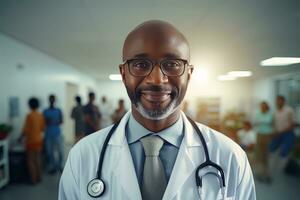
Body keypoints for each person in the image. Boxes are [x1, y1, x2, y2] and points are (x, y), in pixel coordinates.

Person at [59, 20, 255, 200]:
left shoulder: (229, 156)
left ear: (189, 73)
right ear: (123, 73)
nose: (157, 80)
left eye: (171, 64)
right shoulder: (83, 156)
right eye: (141, 64)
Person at [269, 95, 296, 176]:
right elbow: (273, 123)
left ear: (283, 101)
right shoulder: (275, 111)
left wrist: (281, 132)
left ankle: (283, 170)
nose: (278, 102)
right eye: (277, 101)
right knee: (271, 148)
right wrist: (274, 131)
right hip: (277, 133)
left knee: (284, 151)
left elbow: (292, 124)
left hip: (287, 134)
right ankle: (273, 169)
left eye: (280, 101)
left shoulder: (289, 110)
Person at [21, 97, 45, 184]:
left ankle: (33, 180)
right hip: (39, 140)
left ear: (29, 105)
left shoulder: (29, 115)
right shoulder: (40, 115)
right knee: (38, 159)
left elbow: (26, 129)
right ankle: (39, 177)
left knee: (31, 161)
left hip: (31, 141)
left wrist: (20, 137)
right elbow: (43, 128)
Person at [43, 94, 64, 174]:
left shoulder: (58, 110)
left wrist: (53, 121)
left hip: (57, 133)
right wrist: (47, 121)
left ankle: (60, 166)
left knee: (60, 151)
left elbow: (62, 121)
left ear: (55, 100)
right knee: (50, 152)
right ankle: (53, 167)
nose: (52, 100)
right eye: (50, 99)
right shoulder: (45, 111)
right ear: (49, 100)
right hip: (48, 134)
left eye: (53, 99)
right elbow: (43, 122)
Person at [254, 101, 273, 183]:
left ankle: (267, 174)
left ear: (266, 107)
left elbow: (268, 121)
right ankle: (260, 174)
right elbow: (256, 121)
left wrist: (261, 121)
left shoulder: (270, 113)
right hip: (259, 135)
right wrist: (262, 121)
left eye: (264, 106)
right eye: (261, 106)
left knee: (266, 155)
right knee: (259, 155)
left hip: (267, 135)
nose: (262, 107)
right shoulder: (258, 113)